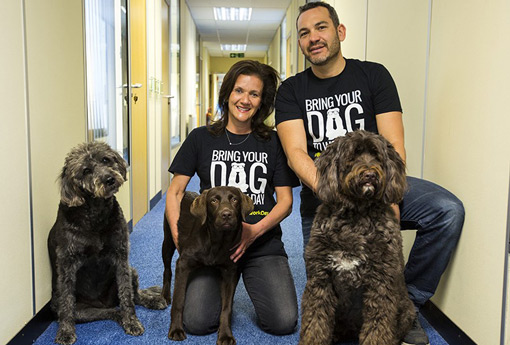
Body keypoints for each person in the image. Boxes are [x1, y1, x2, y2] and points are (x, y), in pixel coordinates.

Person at [274, 2, 465, 345]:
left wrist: (392, 200)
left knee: (447, 211)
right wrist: (333, 191)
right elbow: (296, 154)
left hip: (380, 184)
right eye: (304, 33)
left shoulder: (373, 75)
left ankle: (406, 303)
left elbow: (393, 144)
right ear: (300, 43)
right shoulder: (291, 90)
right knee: (325, 279)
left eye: (321, 28)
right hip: (326, 194)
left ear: (339, 32)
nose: (313, 38)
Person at [166, 60, 299, 336]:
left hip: (261, 242)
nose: (245, 100)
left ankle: (242, 278)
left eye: (254, 94)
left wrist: (253, 232)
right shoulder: (201, 138)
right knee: (197, 323)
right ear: (227, 93)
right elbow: (175, 191)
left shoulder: (273, 142)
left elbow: (286, 201)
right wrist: (181, 240)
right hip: (212, 246)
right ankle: (221, 286)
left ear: (262, 101)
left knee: (283, 322)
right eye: (239, 91)